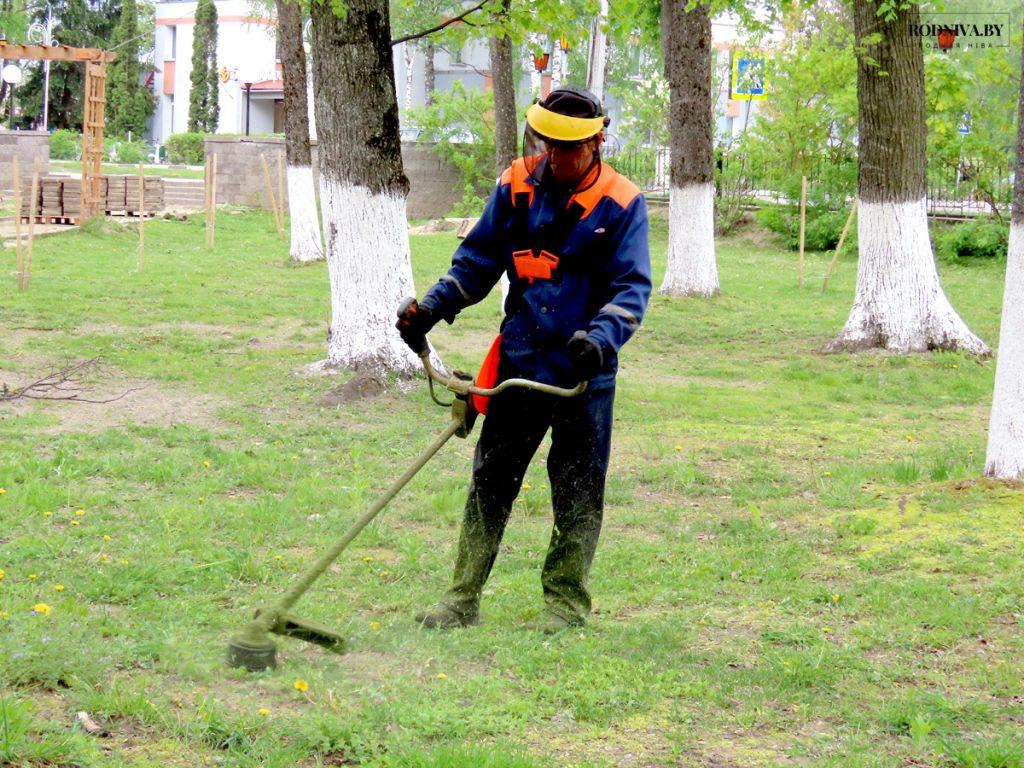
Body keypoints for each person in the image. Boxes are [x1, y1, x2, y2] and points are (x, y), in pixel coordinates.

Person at [396, 86, 651, 634]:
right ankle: (461, 599)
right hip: (520, 365)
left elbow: (631, 289)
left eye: (569, 149)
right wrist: (432, 309)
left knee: (579, 489)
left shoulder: (623, 202)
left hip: (584, 376)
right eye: (547, 145)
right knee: (490, 480)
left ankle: (564, 606)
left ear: (597, 140)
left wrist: (600, 340)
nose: (555, 158)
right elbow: (479, 260)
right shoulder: (515, 183)